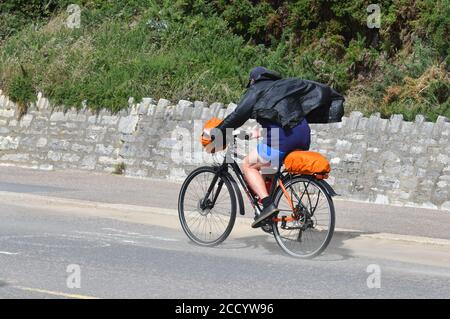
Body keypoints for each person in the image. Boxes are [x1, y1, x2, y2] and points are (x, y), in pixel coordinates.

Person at [210, 66, 344, 228]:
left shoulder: (256, 89)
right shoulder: (283, 89)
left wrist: (218, 133)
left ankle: (267, 206)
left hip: (282, 137)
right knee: (269, 169)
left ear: (253, 80)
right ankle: (270, 215)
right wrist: (253, 133)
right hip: (302, 134)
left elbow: (238, 115)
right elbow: (279, 117)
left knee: (248, 164)